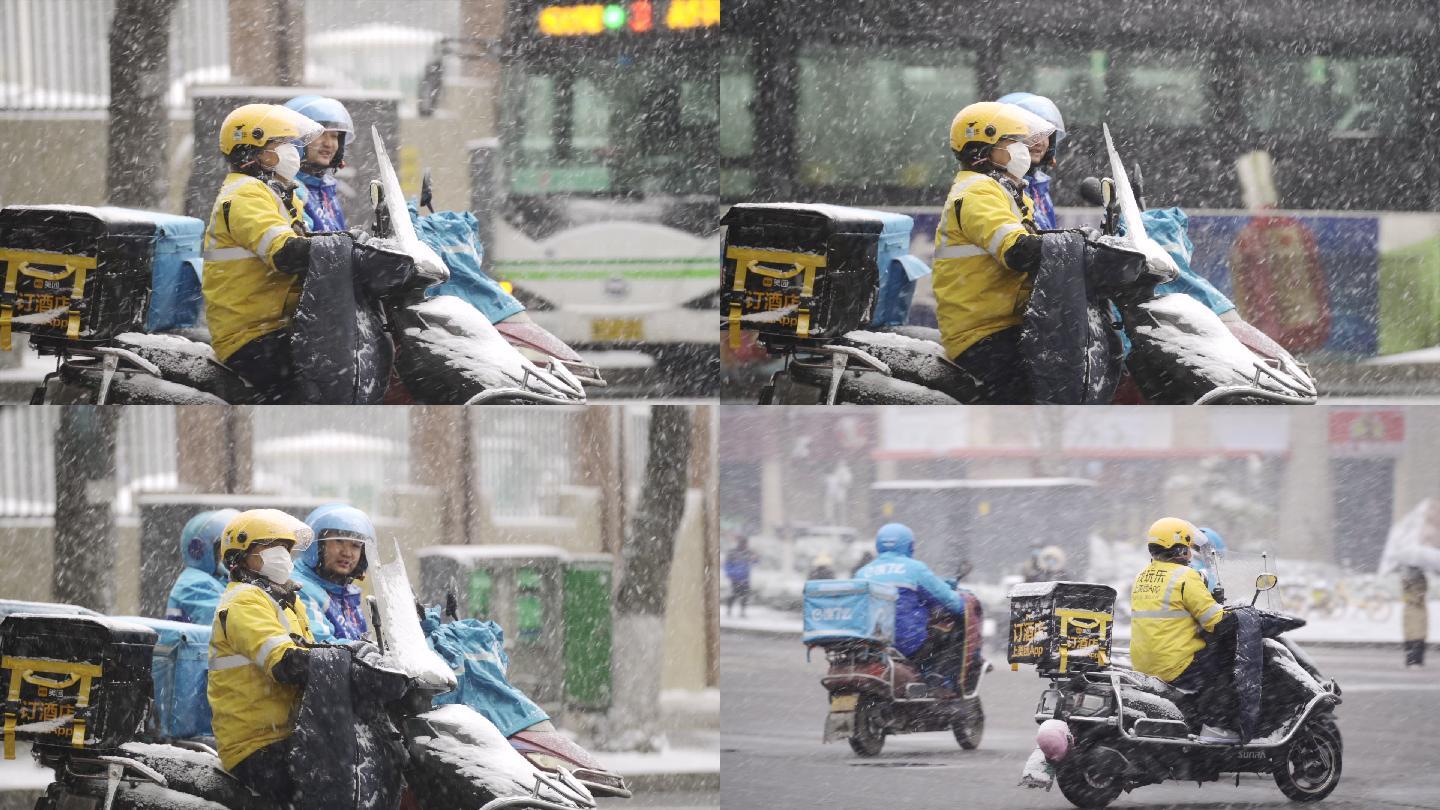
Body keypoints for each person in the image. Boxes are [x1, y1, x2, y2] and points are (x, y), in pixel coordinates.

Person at [203, 103, 323, 403]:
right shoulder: (244, 194)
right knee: (309, 394)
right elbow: (284, 253)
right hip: (250, 334)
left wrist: (353, 242)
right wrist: (338, 249)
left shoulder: (276, 192)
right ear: (253, 151)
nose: (291, 151)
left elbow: (305, 239)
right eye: (280, 143)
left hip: (278, 324)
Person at [932, 101, 1046, 403]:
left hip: (1005, 323)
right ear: (982, 148)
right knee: (1027, 394)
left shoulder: (1005, 190)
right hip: (983, 332)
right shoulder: (976, 193)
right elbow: (1016, 250)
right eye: (1013, 141)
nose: (1022, 148)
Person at [207, 509, 317, 803]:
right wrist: (330, 665)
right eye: (271, 546)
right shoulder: (244, 599)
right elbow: (284, 662)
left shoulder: (287, 601)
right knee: (309, 796)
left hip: (287, 734)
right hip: (255, 743)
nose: (283, 554)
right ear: (241, 555)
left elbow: (312, 651)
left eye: (286, 547)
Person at [1129, 517, 1238, 742]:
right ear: (1178, 547)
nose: (1190, 551)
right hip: (1174, 662)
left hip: (1144, 663)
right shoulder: (1185, 576)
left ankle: (1192, 718)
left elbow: (1172, 611)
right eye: (1187, 545)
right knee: (1225, 668)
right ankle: (1216, 727)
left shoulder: (1141, 576)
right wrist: (1235, 615)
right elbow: (1214, 620)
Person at [854, 523, 970, 688]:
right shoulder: (915, 569)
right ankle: (939, 684)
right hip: (907, 644)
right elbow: (952, 602)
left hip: (872, 645)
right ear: (909, 546)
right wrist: (961, 604)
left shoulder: (862, 573)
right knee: (950, 637)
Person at [293, 503, 375, 641]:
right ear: (317, 545)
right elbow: (322, 646)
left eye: (355, 545)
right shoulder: (300, 589)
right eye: (339, 541)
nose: (347, 553)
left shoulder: (347, 594)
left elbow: (363, 645)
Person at [283, 95, 354, 232]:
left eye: (334, 136)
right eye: (320, 134)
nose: (329, 144)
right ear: (295, 139)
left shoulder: (326, 187)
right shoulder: (288, 189)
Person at [996, 92, 1067, 230]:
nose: (1039, 142)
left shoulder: (1039, 186)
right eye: (1030, 133)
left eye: (1045, 133)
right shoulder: (996, 188)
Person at [164, 508, 241, 625]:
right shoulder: (196, 584)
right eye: (226, 550)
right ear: (197, 550)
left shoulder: (217, 580)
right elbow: (227, 630)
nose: (234, 557)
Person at [723, 536, 760, 617]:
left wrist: (756, 557)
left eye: (745, 543)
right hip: (735, 578)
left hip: (745, 578)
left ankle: (742, 611)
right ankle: (729, 609)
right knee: (734, 594)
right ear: (739, 543)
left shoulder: (748, 552)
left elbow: (755, 562)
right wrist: (730, 574)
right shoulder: (733, 553)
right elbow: (727, 565)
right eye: (743, 543)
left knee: (745, 595)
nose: (744, 545)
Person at [1401, 566, 1427, 668]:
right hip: (1415, 611)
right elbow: (1419, 594)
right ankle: (1414, 660)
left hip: (1415, 611)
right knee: (1415, 636)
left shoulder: (1415, 580)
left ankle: (1413, 660)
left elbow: (1420, 594)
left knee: (1415, 636)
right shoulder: (1408, 580)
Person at [1192, 526, 1228, 600]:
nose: (1202, 552)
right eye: (1196, 548)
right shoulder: (1201, 573)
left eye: (1205, 548)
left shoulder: (1218, 573)